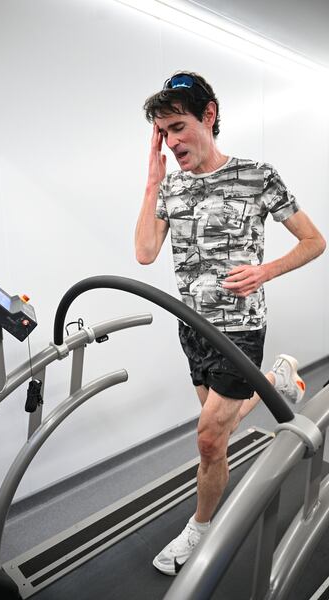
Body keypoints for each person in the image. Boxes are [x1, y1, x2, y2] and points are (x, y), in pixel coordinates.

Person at [135, 71, 326, 576]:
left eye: (178, 127)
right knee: (216, 436)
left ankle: (198, 529)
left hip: (240, 329)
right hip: (192, 328)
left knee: (206, 440)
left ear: (210, 116)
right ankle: (276, 384)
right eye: (163, 133)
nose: (172, 142)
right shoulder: (169, 188)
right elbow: (145, 253)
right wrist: (153, 180)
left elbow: (314, 241)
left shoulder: (257, 175)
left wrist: (265, 270)